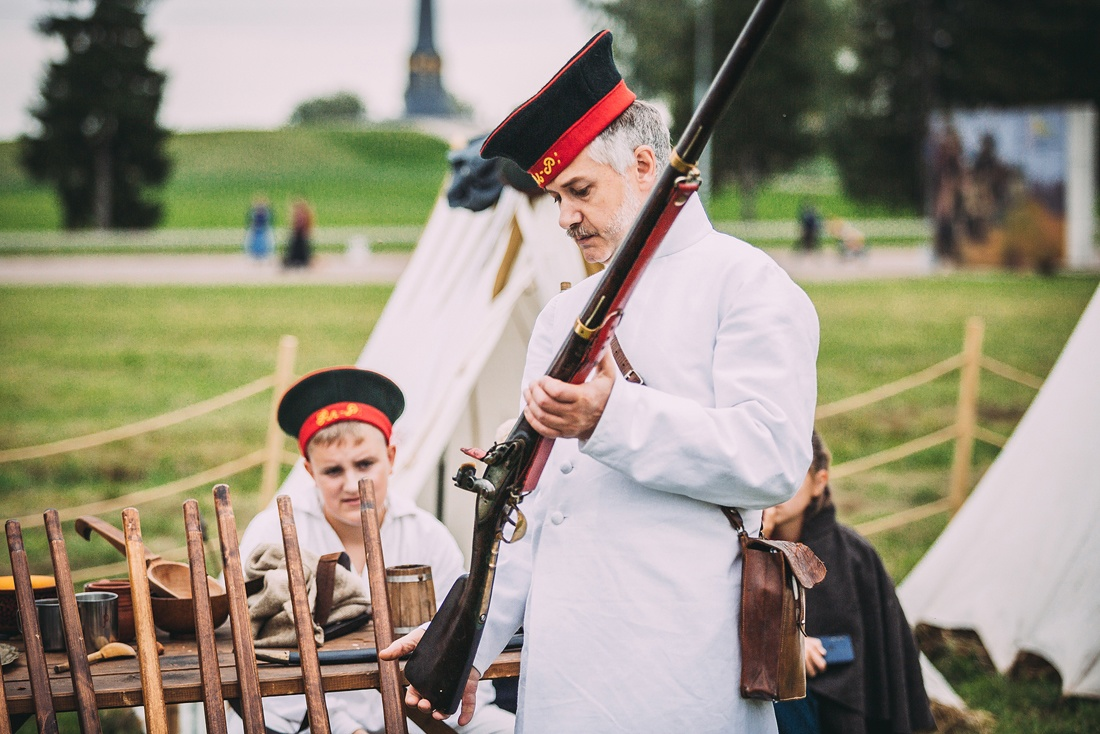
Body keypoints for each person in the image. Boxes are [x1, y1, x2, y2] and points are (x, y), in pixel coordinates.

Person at [382, 30, 820, 733]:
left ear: (645, 164)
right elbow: (529, 509)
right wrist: (465, 643)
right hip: (564, 673)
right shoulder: (563, 316)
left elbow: (770, 458)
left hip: (680, 668)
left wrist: (611, 417)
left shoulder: (750, 286)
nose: (564, 217)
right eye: (556, 196)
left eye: (579, 190)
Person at [229, 367, 515, 734]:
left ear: (391, 457)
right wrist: (340, 725)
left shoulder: (427, 536)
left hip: (417, 721)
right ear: (309, 471)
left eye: (365, 464)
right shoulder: (273, 533)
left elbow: (460, 650)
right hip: (302, 723)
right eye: (333, 470)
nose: (351, 484)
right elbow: (246, 655)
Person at [765, 431, 936, 734]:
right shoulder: (745, 543)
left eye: (792, 472)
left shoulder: (852, 556)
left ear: (819, 482)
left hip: (827, 704)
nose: (776, 483)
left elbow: (865, 656)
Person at [283, 197, 314, 268]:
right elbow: (292, 226)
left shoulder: (306, 215)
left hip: (302, 238)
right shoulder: (296, 215)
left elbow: (307, 227)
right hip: (296, 238)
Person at [245, 195, 275, 261]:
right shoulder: (254, 213)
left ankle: (267, 254)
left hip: (264, 230)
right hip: (256, 231)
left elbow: (268, 222)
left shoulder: (266, 213)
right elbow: (250, 222)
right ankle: (252, 254)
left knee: (269, 237)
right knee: (249, 238)